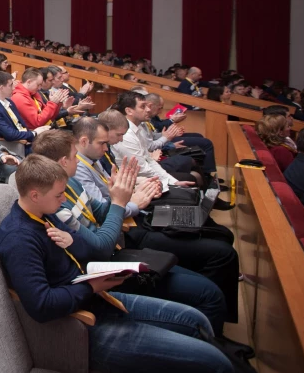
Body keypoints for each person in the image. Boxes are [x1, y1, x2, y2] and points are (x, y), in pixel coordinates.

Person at [0, 155, 236, 373]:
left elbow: (88, 248)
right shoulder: (19, 238)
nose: (63, 200)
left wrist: (76, 246)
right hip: (80, 325)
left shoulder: (47, 212)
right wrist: (90, 286)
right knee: (216, 365)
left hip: (98, 298)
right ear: (35, 195)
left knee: (197, 321)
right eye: (59, 195)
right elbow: (41, 306)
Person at [97, 109, 241, 323]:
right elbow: (106, 209)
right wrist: (133, 201)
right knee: (222, 251)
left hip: (135, 212)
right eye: (105, 142)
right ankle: (210, 314)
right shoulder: (86, 168)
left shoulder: (99, 158)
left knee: (210, 227)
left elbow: (121, 187)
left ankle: (213, 309)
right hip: (130, 228)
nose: (111, 145)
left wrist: (141, 193)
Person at [112, 91, 196, 190]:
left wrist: (173, 181)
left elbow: (149, 161)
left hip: (148, 176)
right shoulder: (125, 133)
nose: (148, 109)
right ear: (129, 111)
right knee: (191, 177)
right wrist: (169, 182)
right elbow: (142, 168)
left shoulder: (137, 128)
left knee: (191, 178)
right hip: (137, 184)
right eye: (143, 107)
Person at [0, 72, 47, 155]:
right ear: (1, 88)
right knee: (49, 150)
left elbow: (21, 125)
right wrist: (34, 133)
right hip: (14, 145)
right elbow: (9, 134)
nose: (14, 88)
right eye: (10, 85)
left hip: (26, 140)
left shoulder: (10, 101)